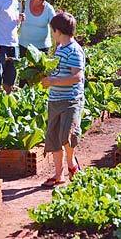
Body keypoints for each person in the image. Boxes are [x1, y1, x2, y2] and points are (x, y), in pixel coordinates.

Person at [41, 12, 85, 187]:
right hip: (55, 99)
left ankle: (72, 164)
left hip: (70, 100)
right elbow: (58, 71)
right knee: (53, 138)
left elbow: (78, 76)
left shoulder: (74, 50)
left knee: (66, 136)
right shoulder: (60, 48)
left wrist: (54, 81)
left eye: (53, 31)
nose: (52, 35)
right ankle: (58, 174)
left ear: (58, 31)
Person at [19, 0, 56, 87]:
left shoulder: (49, 9)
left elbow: (55, 27)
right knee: (25, 77)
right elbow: (15, 21)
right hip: (25, 47)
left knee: (40, 79)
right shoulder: (23, 4)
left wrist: (58, 45)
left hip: (42, 49)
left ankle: (39, 101)